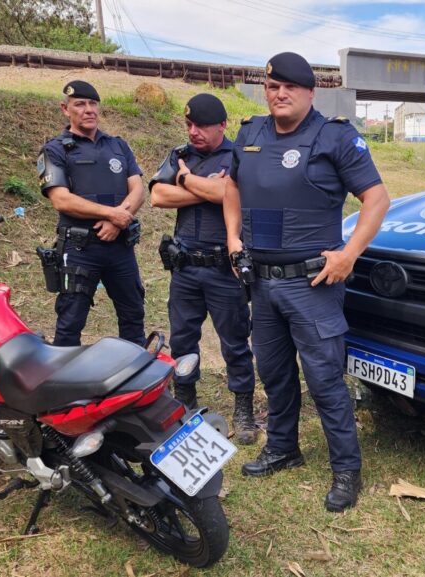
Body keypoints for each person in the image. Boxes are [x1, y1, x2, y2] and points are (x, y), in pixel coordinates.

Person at [223, 52, 390, 512]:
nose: (280, 94)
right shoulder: (250, 132)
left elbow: (376, 198)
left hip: (312, 284)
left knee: (323, 380)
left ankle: (345, 470)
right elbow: (232, 186)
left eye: (290, 87)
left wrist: (349, 254)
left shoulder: (333, 136)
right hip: (262, 282)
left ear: (310, 92)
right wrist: (233, 237)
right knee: (274, 373)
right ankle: (283, 447)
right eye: (273, 86)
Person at [150, 93, 258, 444]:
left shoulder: (237, 155)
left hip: (222, 267)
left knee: (235, 341)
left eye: (202, 126)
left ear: (222, 125)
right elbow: (157, 197)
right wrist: (212, 189)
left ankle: (243, 408)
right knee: (182, 339)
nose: (194, 131)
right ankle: (185, 399)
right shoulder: (181, 155)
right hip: (185, 267)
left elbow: (236, 196)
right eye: (189, 125)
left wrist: (184, 181)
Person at [37, 80, 147, 347]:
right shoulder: (55, 149)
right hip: (80, 250)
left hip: (120, 247)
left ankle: (135, 380)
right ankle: (65, 385)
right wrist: (113, 215)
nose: (88, 110)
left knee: (133, 315)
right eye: (80, 104)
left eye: (93, 103)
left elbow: (138, 189)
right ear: (65, 109)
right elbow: (61, 200)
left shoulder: (118, 146)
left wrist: (119, 222)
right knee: (71, 321)